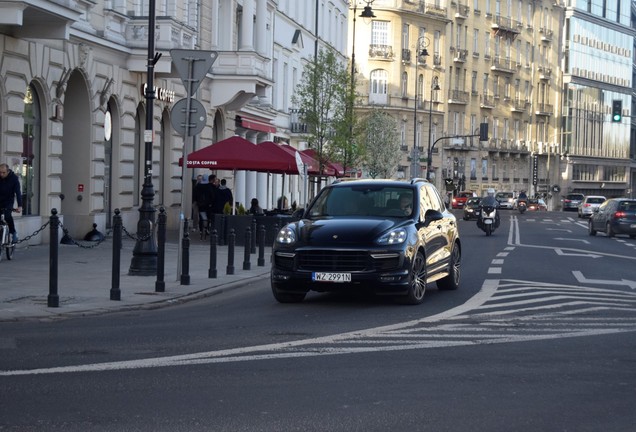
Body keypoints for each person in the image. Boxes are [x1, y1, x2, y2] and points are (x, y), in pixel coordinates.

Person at [0, 163, 23, 243]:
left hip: (8, 201)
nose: (1, 174)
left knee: (7, 216)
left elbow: (18, 192)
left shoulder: (14, 179)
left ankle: (13, 233)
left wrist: (20, 206)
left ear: (8, 171)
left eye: (3, 173)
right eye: (0, 172)